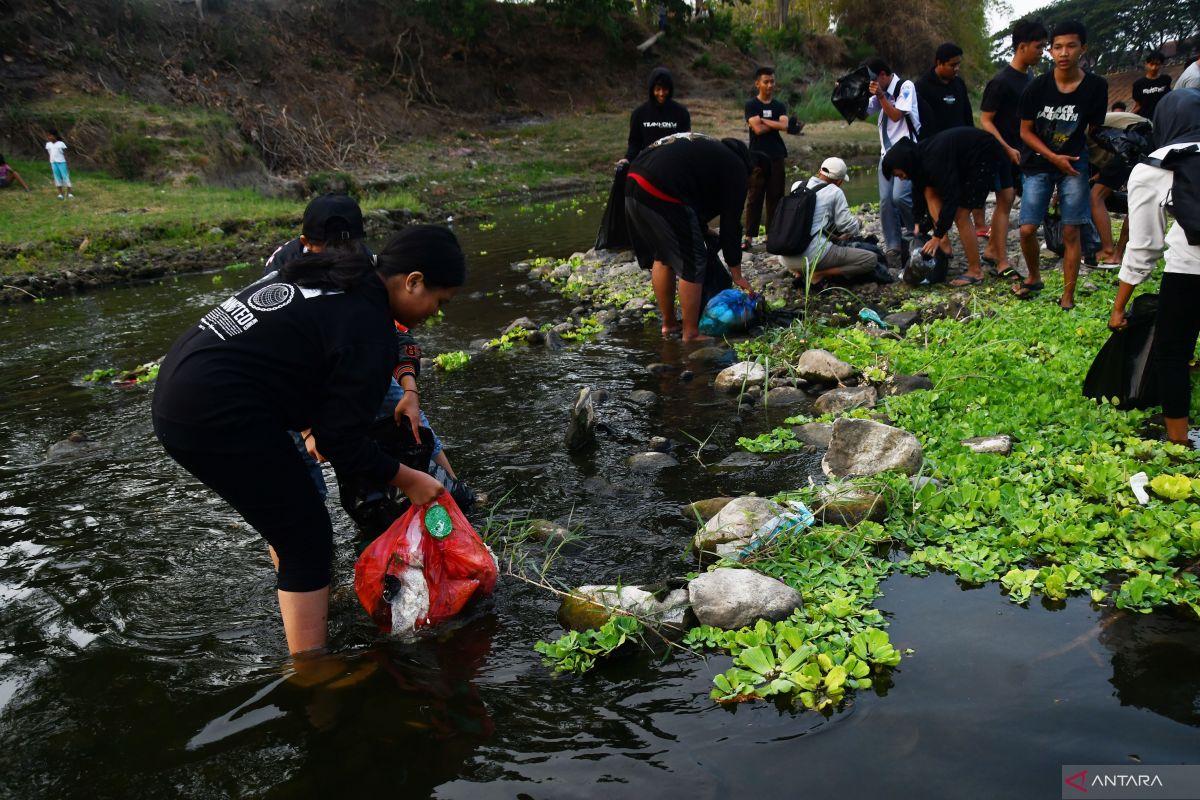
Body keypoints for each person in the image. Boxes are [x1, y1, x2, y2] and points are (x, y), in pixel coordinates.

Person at [152, 225, 466, 655]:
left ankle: (309, 642)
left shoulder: (342, 273)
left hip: (183, 386)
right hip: (213, 411)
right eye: (439, 301)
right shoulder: (367, 324)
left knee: (297, 527)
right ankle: (311, 672)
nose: (436, 312)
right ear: (412, 281)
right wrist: (409, 479)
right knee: (306, 539)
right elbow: (340, 442)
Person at [264, 195, 456, 501]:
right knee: (300, 480)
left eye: (347, 248)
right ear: (306, 243)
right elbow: (284, 359)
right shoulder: (282, 272)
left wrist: (410, 391)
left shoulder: (365, 262)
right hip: (295, 377)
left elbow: (393, 329)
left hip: (347, 352)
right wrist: (307, 429)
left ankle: (455, 496)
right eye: (327, 250)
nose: (338, 259)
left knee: (414, 424)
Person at [1107, 88, 1200, 447]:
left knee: (1173, 352)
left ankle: (1178, 443)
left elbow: (1144, 246)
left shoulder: (1155, 166)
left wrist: (1119, 307)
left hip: (1191, 269)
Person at [1014, 20, 1108, 310]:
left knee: (1071, 231)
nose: (1063, 53)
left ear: (1083, 48)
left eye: (1071, 46)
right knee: (1027, 229)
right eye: (1057, 47)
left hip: (1075, 164)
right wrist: (1053, 157)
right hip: (1038, 163)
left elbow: (1094, 129)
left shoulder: (1096, 86)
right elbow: (1025, 131)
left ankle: (1068, 296)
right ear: (1051, 52)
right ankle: (1034, 276)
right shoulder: (1037, 87)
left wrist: (1104, 162)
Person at [624, 133, 751, 341]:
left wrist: (703, 229)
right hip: (660, 187)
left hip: (633, 182)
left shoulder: (708, 151)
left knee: (663, 255)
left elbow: (690, 191)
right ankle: (691, 333)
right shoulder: (736, 167)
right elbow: (731, 226)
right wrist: (736, 273)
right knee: (693, 258)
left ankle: (669, 325)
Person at [882, 128, 1007, 286]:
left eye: (899, 174)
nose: (901, 178)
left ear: (904, 163)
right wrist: (917, 223)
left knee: (961, 215)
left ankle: (975, 271)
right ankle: (946, 246)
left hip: (984, 154)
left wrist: (937, 235)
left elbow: (951, 198)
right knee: (929, 189)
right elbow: (919, 188)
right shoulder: (918, 158)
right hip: (967, 155)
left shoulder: (934, 161)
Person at [979, 19, 1048, 281]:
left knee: (1009, 201)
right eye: (1038, 46)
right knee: (1005, 201)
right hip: (1000, 151)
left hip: (1022, 151)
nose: (1042, 52)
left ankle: (991, 250)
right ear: (1022, 47)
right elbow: (985, 120)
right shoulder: (1001, 82)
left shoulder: (1029, 77)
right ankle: (1001, 260)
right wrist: (1006, 148)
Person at [915, 42, 985, 236]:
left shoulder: (958, 84)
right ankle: (941, 238)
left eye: (958, 65)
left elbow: (967, 113)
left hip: (963, 147)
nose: (956, 69)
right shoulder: (922, 86)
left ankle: (977, 226)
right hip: (937, 150)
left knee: (965, 193)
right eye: (952, 65)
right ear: (939, 63)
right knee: (935, 193)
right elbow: (921, 121)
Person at [777, 157, 875, 288]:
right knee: (870, 259)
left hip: (784, 255)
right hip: (812, 257)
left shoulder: (797, 185)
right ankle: (819, 273)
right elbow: (846, 225)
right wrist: (858, 225)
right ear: (839, 181)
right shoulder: (835, 191)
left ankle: (799, 273)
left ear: (819, 171)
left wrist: (834, 237)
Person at [866, 57, 920, 272]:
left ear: (882, 75)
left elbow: (897, 116)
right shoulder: (877, 92)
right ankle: (893, 246)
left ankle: (916, 232)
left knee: (901, 196)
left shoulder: (905, 86)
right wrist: (848, 92)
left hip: (905, 152)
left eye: (872, 79)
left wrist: (881, 96)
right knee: (886, 201)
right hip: (886, 153)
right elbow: (864, 112)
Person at [1088, 108, 1151, 265]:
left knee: (1096, 196)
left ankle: (1110, 251)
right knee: (1135, 201)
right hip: (1142, 143)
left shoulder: (1079, 128)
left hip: (1135, 142)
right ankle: (1117, 253)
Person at [742, 66, 790, 250]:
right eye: (766, 82)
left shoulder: (779, 105)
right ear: (757, 84)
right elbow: (758, 129)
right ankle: (749, 236)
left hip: (777, 155)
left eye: (772, 81)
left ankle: (772, 235)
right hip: (757, 156)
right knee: (754, 195)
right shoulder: (751, 105)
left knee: (775, 196)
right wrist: (775, 124)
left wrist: (764, 120)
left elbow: (785, 126)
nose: (770, 85)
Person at [617, 67, 691, 167]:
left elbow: (686, 143)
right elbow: (635, 143)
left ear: (670, 89)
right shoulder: (639, 114)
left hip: (674, 165)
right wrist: (627, 158)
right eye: (658, 89)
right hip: (648, 165)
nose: (661, 93)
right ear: (652, 89)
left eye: (665, 89)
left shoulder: (681, 113)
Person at [1132, 51, 1171, 119]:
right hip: (1146, 120)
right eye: (1151, 64)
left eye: (1157, 64)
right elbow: (1138, 105)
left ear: (1161, 65)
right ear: (1146, 64)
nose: (1154, 68)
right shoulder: (1138, 84)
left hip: (1164, 117)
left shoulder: (1166, 79)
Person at [44, 130, 73, 200]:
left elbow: (66, 154)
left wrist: (68, 163)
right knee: (57, 177)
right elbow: (50, 153)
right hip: (53, 163)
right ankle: (60, 194)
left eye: (50, 135)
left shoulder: (61, 144)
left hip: (62, 163)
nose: (49, 137)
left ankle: (69, 193)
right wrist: (51, 162)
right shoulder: (48, 144)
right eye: (48, 136)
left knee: (65, 177)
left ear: (55, 136)